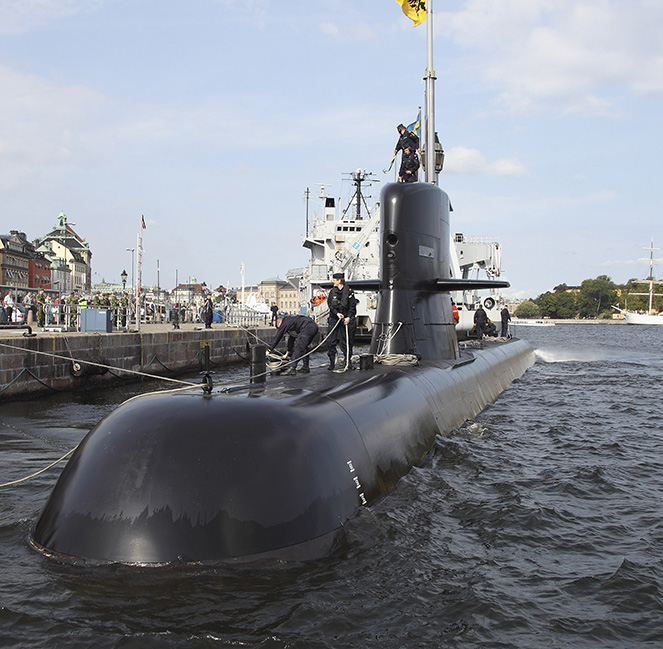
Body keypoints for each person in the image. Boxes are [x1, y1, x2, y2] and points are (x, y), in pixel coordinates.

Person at [326, 272, 356, 371]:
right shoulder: (332, 292)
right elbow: (330, 305)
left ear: (339, 280)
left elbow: (352, 306)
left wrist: (349, 317)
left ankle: (348, 361)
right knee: (331, 341)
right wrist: (336, 313)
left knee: (346, 341)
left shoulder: (349, 292)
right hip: (334, 318)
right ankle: (331, 362)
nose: (332, 281)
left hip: (345, 319)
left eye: (334, 280)